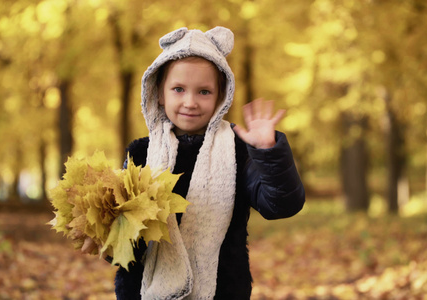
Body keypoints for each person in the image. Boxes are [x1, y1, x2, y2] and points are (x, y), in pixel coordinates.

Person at [84, 26, 305, 299]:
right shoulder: (140, 153)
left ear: (221, 97)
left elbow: (281, 205)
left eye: (204, 92)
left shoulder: (237, 151)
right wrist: (105, 232)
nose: (190, 102)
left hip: (222, 290)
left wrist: (268, 152)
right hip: (144, 291)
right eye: (178, 89)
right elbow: (126, 243)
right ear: (160, 94)